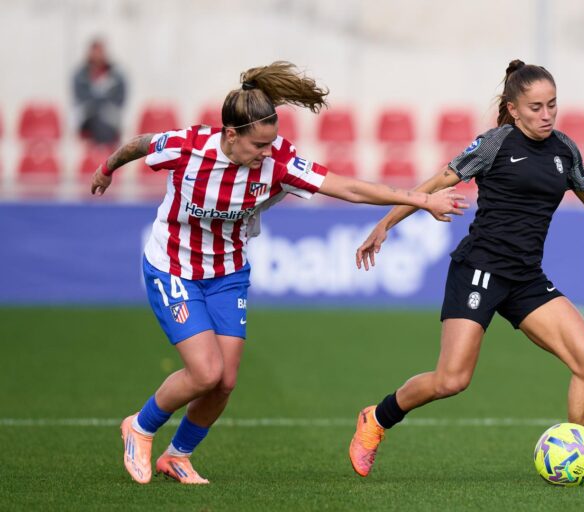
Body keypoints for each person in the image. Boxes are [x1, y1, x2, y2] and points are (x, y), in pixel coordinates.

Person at [90, 61, 467, 485]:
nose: (267, 153)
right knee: (205, 372)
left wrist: (420, 199)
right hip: (173, 266)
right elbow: (140, 145)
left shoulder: (279, 161)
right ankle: (140, 427)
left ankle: (177, 455)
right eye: (259, 145)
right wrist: (107, 169)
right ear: (231, 135)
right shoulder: (188, 147)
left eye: (271, 143)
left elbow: (348, 187)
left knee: (224, 382)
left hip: (228, 272)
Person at [348, 59, 584, 486]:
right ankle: (377, 417)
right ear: (513, 109)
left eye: (552, 105)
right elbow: (435, 183)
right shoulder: (495, 144)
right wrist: (385, 224)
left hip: (526, 278)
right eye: (535, 107)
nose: (546, 115)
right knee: (451, 380)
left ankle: (583, 464)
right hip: (479, 271)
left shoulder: (564, 149)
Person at [73, 38, 127, 146]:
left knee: (104, 122)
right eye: (95, 52)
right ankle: (103, 151)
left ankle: (102, 151)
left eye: (100, 51)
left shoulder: (116, 75)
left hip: (110, 118)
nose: (97, 55)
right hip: (88, 119)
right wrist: (99, 102)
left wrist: (101, 104)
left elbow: (119, 99)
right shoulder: (80, 75)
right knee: (98, 122)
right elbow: (81, 98)